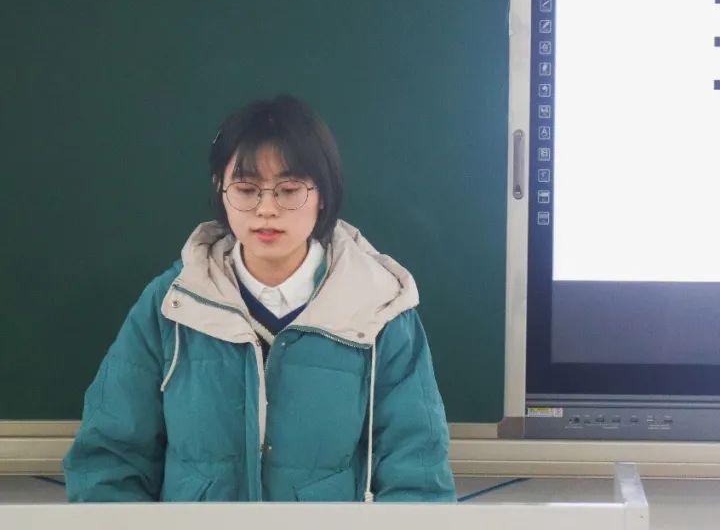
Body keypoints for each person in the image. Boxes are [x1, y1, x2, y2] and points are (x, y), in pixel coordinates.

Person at [63, 96, 456, 502]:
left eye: (289, 190)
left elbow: (417, 476)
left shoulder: (379, 309)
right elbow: (108, 460)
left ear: (323, 193)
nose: (266, 209)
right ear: (220, 189)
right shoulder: (170, 306)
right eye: (247, 189)